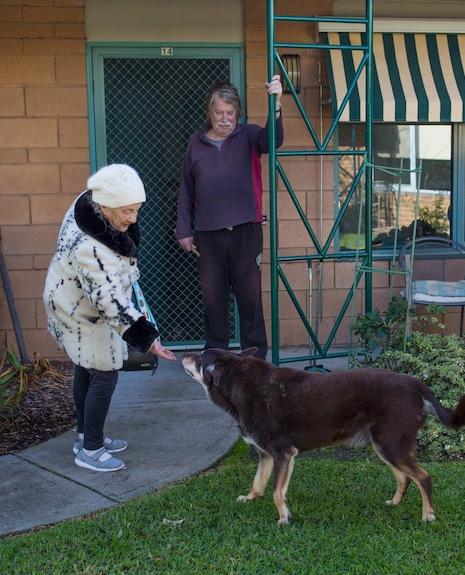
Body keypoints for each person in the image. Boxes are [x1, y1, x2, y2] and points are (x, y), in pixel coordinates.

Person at [44, 163, 176, 472]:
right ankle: (90, 450)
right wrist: (149, 339)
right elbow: (109, 302)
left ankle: (86, 436)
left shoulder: (90, 203)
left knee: (86, 367)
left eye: (137, 210)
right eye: (127, 212)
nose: (134, 218)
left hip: (68, 295)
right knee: (104, 371)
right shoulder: (90, 249)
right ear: (105, 207)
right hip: (81, 311)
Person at [175, 75, 284, 360]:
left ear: (237, 114)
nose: (224, 119)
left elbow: (274, 140)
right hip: (208, 234)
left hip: (246, 229)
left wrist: (276, 104)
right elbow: (187, 189)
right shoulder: (196, 144)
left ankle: (254, 359)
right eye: (219, 113)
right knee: (213, 299)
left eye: (230, 113)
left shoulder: (248, 136)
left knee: (250, 298)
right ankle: (215, 360)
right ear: (209, 114)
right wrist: (184, 231)